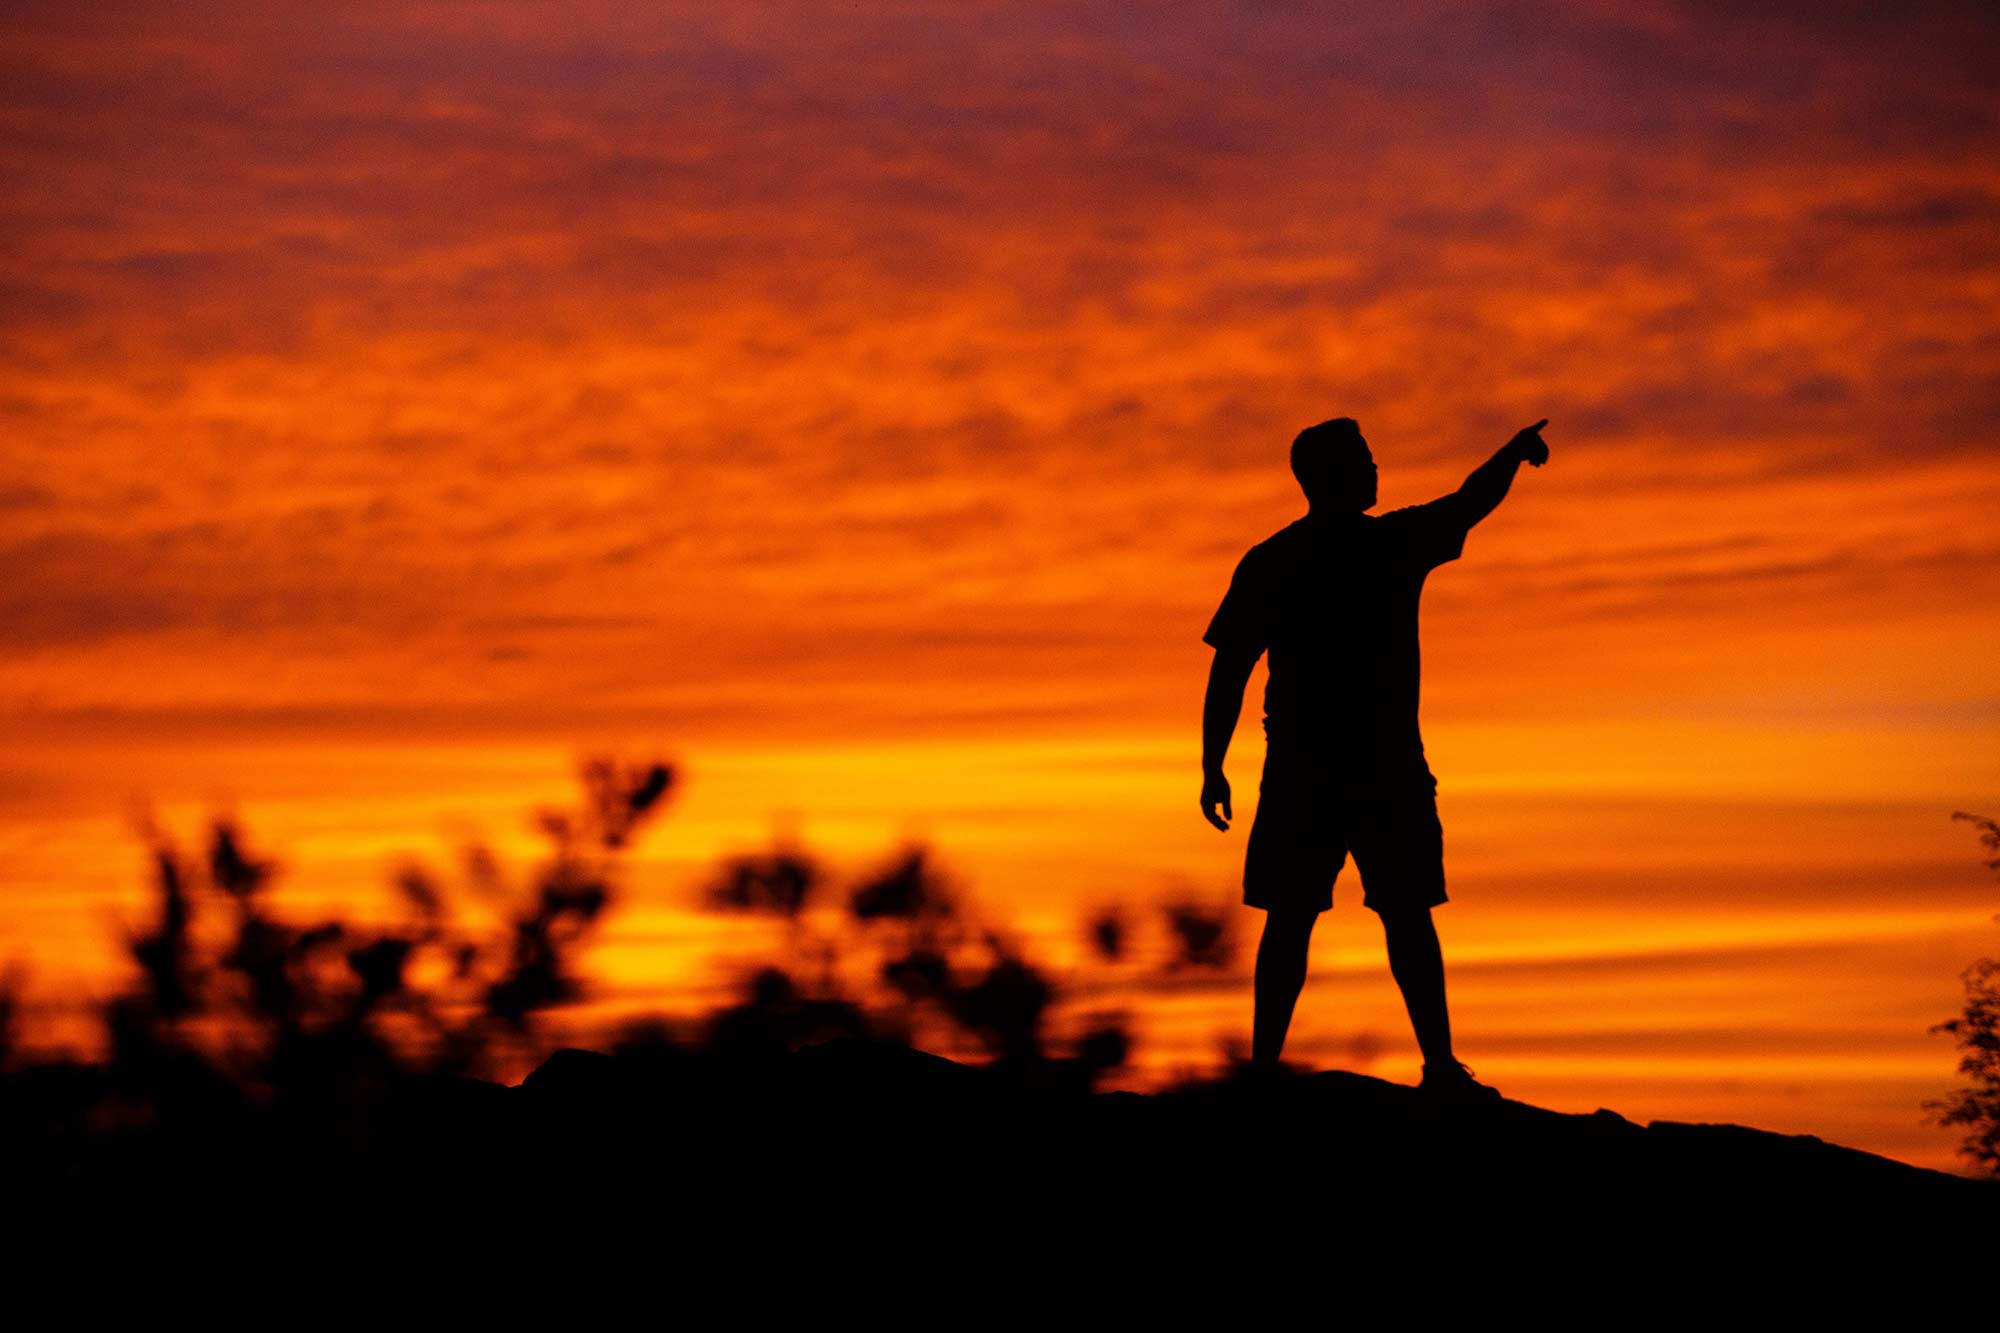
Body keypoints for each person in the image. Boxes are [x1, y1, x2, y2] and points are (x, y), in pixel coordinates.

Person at [1199, 415, 1550, 1101]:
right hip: (1358, 767)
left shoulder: (1282, 557)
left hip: (1326, 767)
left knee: (1322, 914)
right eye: (1363, 456)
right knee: (1380, 912)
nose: (1375, 465)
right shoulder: (1382, 545)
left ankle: (1277, 1072)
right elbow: (1470, 501)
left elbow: (1229, 670)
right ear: (1332, 472)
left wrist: (1212, 763)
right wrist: (1510, 454)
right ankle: (1427, 1070)